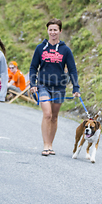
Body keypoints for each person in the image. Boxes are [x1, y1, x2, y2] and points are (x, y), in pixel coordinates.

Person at [29, 18, 80, 156]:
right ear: (47, 31)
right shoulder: (40, 48)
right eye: (50, 30)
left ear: (60, 31)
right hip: (43, 85)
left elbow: (72, 70)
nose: (53, 32)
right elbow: (33, 67)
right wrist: (33, 84)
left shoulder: (65, 50)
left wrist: (76, 88)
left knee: (55, 117)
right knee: (47, 114)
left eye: (55, 30)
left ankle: (50, 144)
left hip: (59, 87)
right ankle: (45, 145)